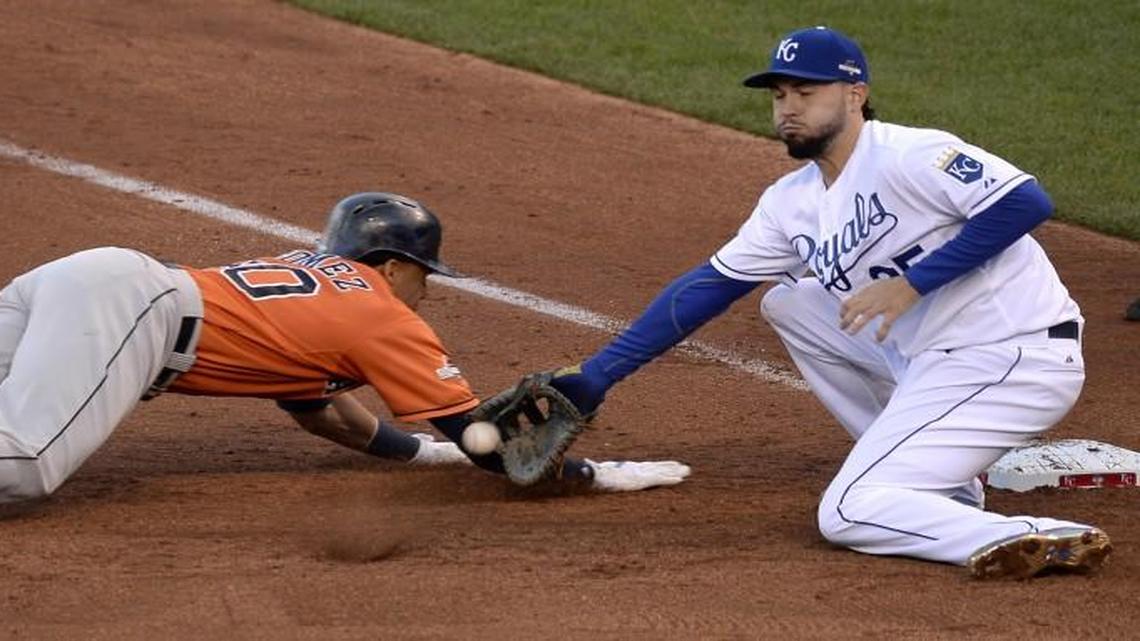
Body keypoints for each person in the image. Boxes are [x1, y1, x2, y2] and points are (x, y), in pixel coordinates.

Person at [541, 26, 1111, 579]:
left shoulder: (910, 154)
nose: (788, 107)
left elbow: (1025, 203)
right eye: (780, 94)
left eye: (806, 92)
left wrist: (914, 283)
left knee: (847, 512)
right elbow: (709, 286)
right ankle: (945, 487)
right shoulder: (791, 201)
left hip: (1010, 354)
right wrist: (598, 374)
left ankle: (1029, 535)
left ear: (856, 95)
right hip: (933, 358)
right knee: (791, 304)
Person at [0, 192, 688, 504]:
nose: (426, 289)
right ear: (392, 266)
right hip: (129, 312)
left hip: (82, 279)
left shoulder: (316, 287)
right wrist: (596, 473)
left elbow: (315, 408)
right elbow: (494, 448)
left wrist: (422, 451)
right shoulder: (379, 313)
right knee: (25, 463)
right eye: (424, 273)